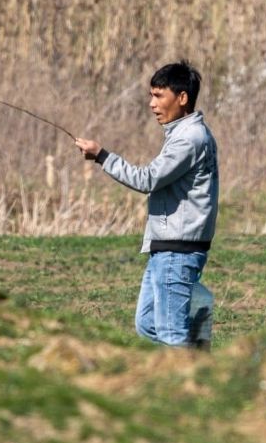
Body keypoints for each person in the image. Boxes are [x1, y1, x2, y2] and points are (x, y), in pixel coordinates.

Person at [75, 61, 218, 349]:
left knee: (171, 335)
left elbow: (147, 179)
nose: (152, 104)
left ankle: (191, 371)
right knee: (147, 324)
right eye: (151, 95)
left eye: (159, 96)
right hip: (166, 248)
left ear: (182, 98)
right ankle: (196, 353)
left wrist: (102, 156)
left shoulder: (189, 139)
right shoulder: (185, 134)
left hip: (177, 251)